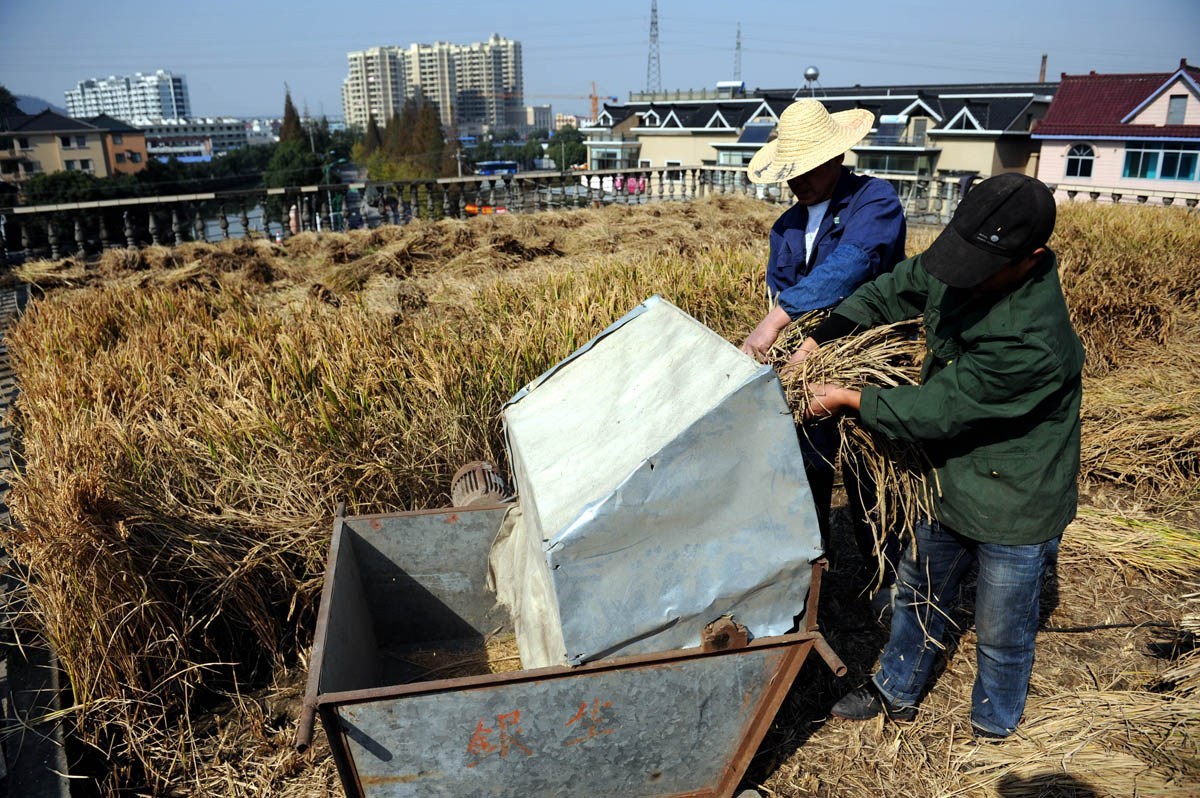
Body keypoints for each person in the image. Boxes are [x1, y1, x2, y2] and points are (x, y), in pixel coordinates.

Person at [793, 173, 1083, 738]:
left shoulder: (1031, 339)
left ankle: (994, 722)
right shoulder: (969, 256)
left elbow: (940, 407)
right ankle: (897, 686)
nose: (962, 276)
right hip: (946, 473)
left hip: (1015, 494)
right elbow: (899, 284)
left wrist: (848, 398)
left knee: (1002, 628)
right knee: (918, 591)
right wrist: (827, 333)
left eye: (979, 267)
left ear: (1032, 258)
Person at [739, 99, 907, 588]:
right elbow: (784, 287)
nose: (797, 179)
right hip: (803, 370)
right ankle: (811, 585)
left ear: (836, 158)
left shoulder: (874, 201)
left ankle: (890, 583)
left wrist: (778, 322)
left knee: (871, 480)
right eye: (791, 169)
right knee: (804, 473)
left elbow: (853, 265)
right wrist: (787, 348)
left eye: (807, 167)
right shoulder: (786, 226)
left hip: (865, 363)